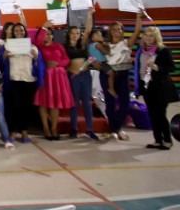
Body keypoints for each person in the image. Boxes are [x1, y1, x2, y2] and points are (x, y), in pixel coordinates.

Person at [135, 26, 178, 150]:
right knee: (153, 114)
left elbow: (171, 67)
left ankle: (167, 140)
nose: (148, 38)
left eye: (151, 35)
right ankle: (158, 140)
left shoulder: (163, 50)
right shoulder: (140, 50)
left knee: (160, 114)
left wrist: (158, 67)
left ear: (156, 37)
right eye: (146, 35)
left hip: (161, 87)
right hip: (147, 86)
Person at [102, 11, 143, 141]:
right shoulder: (105, 45)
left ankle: (117, 128)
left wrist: (138, 17)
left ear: (122, 30)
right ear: (110, 31)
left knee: (125, 104)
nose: (117, 31)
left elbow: (137, 32)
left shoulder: (126, 43)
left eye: (119, 29)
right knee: (110, 103)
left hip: (123, 75)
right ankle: (114, 130)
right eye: (114, 29)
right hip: (108, 76)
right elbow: (99, 61)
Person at [0, 21, 42, 143]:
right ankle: (13, 132)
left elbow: (39, 65)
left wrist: (36, 58)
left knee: (27, 107)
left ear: (25, 32)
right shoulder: (7, 46)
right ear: (13, 32)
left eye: (21, 30)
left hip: (29, 80)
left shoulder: (33, 47)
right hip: (14, 80)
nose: (19, 32)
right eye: (16, 30)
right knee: (14, 107)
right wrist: (4, 57)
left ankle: (25, 132)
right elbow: (0, 65)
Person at [65, 13, 99, 140]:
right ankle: (74, 129)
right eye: (73, 33)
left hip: (85, 76)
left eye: (78, 33)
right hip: (73, 76)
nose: (75, 35)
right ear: (69, 34)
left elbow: (89, 29)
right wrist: (71, 70)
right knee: (74, 103)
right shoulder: (65, 47)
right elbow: (63, 62)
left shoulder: (83, 44)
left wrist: (90, 14)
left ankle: (90, 129)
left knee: (87, 103)